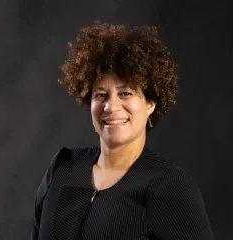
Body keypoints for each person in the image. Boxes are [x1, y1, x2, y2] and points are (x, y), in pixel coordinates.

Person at [31, 20, 215, 239]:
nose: (111, 106)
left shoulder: (170, 187)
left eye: (125, 93)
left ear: (150, 104)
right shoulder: (61, 168)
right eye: (100, 95)